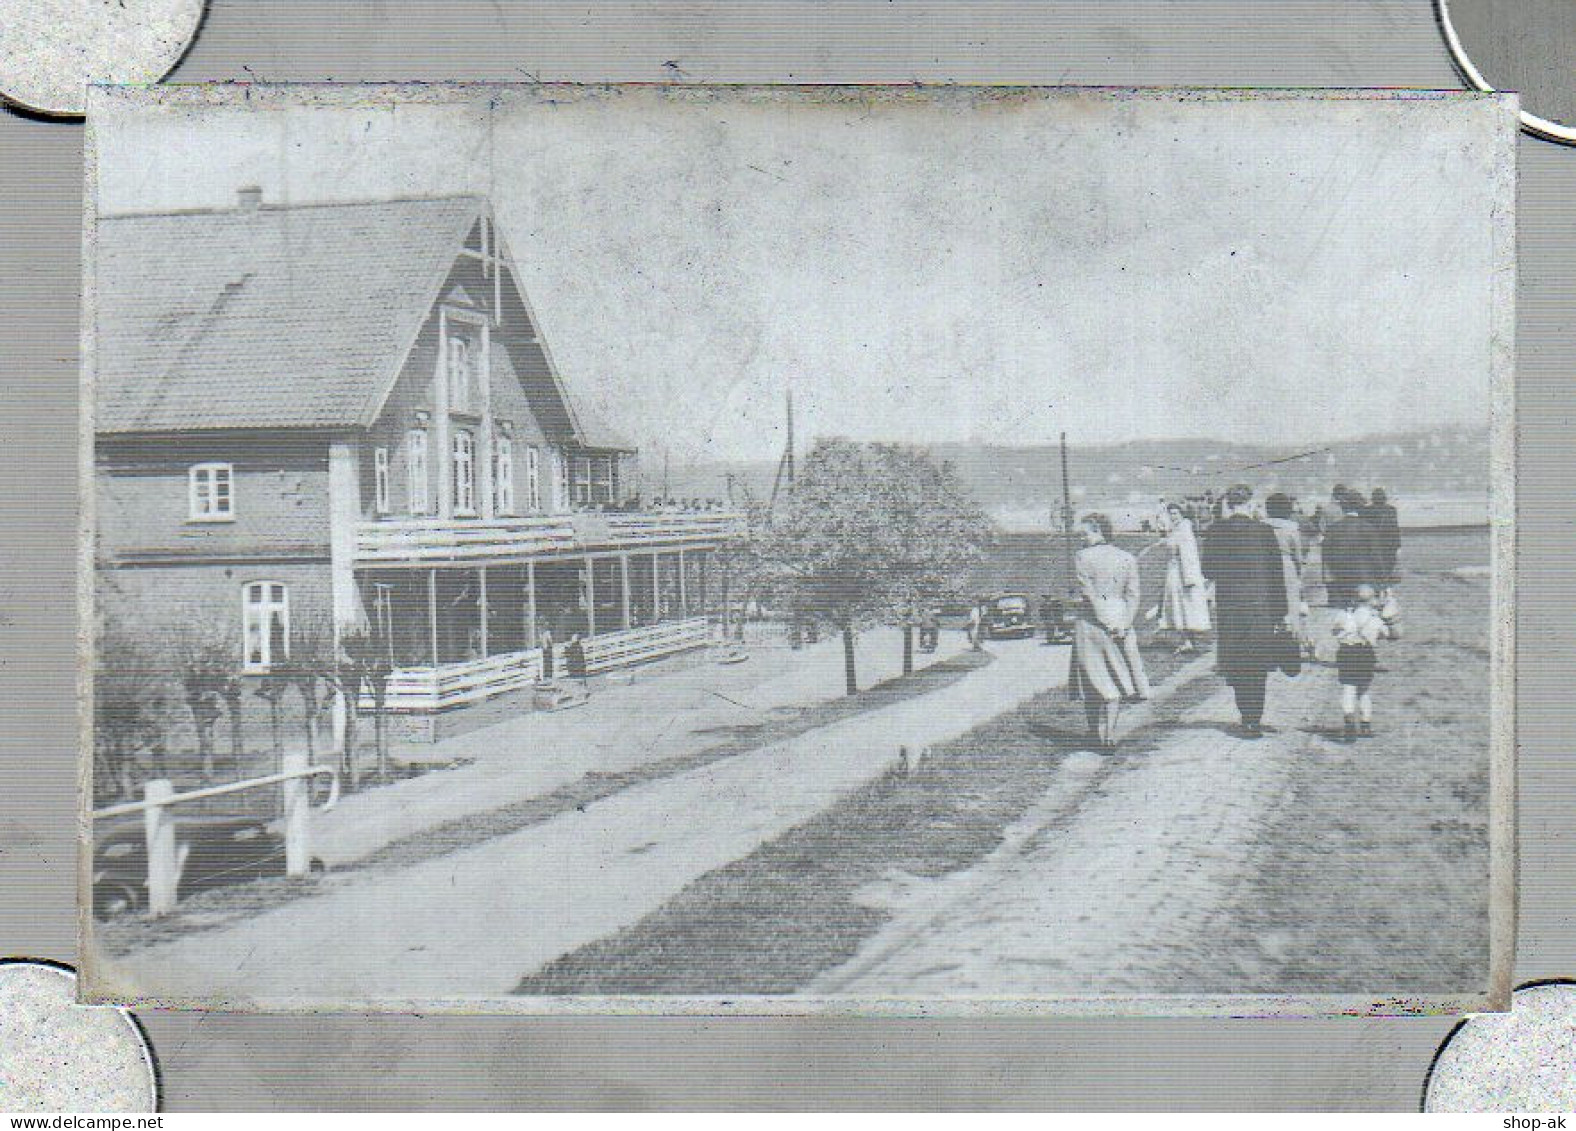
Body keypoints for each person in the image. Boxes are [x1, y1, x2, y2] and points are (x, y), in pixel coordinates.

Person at [1200, 484, 1289, 738]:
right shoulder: (1264, 531)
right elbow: (1276, 576)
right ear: (1251, 503)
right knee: (1257, 664)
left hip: (1230, 606)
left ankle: (1245, 716)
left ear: (1228, 503)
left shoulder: (1215, 531)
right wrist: (1280, 612)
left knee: (1237, 662)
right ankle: (1254, 719)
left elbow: (1208, 571)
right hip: (1260, 607)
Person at [1068, 513, 1149, 749]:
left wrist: (1104, 621)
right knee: (1116, 676)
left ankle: (1094, 732)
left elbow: (1090, 594)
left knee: (1092, 678)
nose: (1082, 539)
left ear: (1099, 531)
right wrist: (1124, 623)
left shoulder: (1082, 557)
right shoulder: (1127, 558)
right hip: (1120, 619)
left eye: (1085, 533)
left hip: (1092, 623)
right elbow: (1133, 595)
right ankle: (1110, 735)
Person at [1331, 582, 1395, 742]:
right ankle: (1365, 724)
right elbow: (1386, 634)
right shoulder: (1374, 618)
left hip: (1346, 652)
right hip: (1365, 653)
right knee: (1364, 691)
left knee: (1348, 688)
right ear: (1372, 600)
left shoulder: (1344, 615)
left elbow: (1334, 631)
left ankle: (1349, 723)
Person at [1157, 502, 1211, 653]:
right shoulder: (1177, 529)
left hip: (1182, 573)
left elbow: (1189, 556)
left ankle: (1187, 641)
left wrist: (1190, 578)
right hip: (1174, 570)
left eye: (1175, 513)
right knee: (1180, 606)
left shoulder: (1184, 529)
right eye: (1171, 514)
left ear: (1182, 514)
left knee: (1184, 606)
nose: (1173, 516)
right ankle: (1187, 640)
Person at [1322, 488, 1382, 609]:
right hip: (1364, 579)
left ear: (1343, 507)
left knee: (1346, 616)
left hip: (1341, 580)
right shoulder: (1368, 528)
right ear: (1360, 507)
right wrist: (1381, 580)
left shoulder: (1333, 529)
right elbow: (1376, 556)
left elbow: (1326, 556)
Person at [1263, 492, 1309, 650]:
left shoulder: (1262, 525)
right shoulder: (1291, 528)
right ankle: (1293, 639)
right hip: (1287, 565)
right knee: (1291, 604)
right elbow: (1298, 553)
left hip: (1266, 565)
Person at [1363, 488, 1402, 584]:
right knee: (1388, 569)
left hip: (1372, 546)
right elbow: (1395, 529)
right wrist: (1398, 546)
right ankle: (1386, 589)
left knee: (1374, 571)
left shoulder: (1366, 511)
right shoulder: (1391, 510)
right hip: (1388, 546)